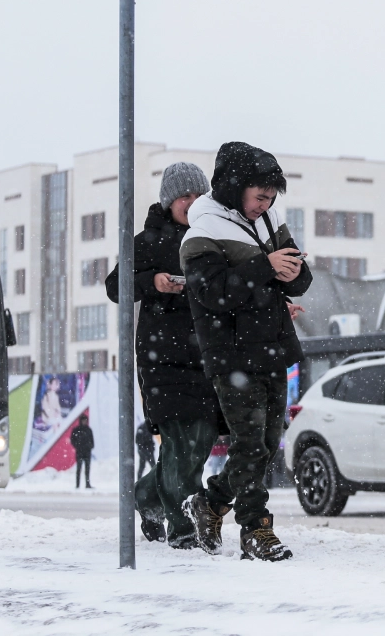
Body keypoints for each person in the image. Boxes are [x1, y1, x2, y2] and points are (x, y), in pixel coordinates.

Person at [179, 142, 312, 562]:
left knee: (267, 442)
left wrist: (292, 271)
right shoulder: (202, 229)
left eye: (271, 197)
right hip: (231, 354)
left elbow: (298, 279)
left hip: (270, 348)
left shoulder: (270, 219)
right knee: (250, 441)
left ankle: (211, 503)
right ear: (235, 188)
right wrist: (266, 267)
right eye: (260, 196)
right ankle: (256, 529)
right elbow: (212, 293)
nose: (266, 204)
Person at [107, 162, 224, 548]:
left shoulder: (214, 236)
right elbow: (114, 286)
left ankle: (147, 495)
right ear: (168, 200)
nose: (190, 203)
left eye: (197, 195)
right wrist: (152, 281)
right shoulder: (149, 240)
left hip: (206, 358)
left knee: (199, 442)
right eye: (183, 197)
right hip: (163, 359)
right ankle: (183, 527)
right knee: (180, 442)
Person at [70, 415, 94, 489]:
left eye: (85, 420)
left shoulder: (88, 430)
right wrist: (77, 446)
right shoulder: (76, 430)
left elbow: (92, 440)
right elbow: (72, 440)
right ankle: (77, 484)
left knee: (87, 469)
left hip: (87, 452)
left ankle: (87, 483)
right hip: (80, 452)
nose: (84, 422)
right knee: (79, 469)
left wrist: (90, 446)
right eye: (83, 420)